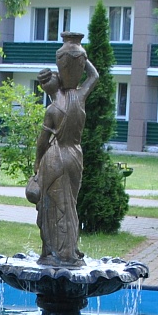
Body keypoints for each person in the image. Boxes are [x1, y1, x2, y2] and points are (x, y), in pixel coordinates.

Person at [25, 33, 99, 266]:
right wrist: (79, 56)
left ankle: (51, 252)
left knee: (52, 206)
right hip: (74, 155)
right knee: (70, 205)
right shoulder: (79, 96)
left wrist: (37, 163)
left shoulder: (52, 109)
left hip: (54, 158)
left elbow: (42, 141)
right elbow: (94, 76)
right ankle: (70, 250)